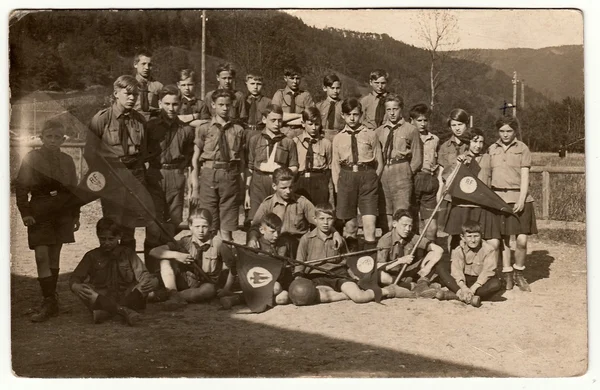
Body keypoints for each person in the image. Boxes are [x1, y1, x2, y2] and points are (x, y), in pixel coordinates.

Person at [84, 75, 160, 254]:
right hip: (112, 176)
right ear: (116, 94)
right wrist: (104, 177)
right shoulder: (102, 119)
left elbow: (143, 152)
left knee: (130, 225)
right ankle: (110, 271)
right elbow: (89, 152)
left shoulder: (140, 120)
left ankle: (128, 268)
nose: (132, 98)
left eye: (135, 95)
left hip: (134, 176)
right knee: (112, 224)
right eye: (128, 94)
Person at [15, 120, 80, 322]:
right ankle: (48, 299)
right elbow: (21, 187)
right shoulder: (31, 158)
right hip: (39, 210)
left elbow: (73, 190)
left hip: (61, 211)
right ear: (41, 137)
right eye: (49, 136)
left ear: (63, 139)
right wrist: (25, 212)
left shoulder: (67, 160)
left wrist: (75, 214)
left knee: (54, 256)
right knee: (41, 256)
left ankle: (52, 301)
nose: (53, 140)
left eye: (57, 137)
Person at [294, 204, 412, 304]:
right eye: (322, 219)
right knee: (320, 296)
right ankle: (345, 296)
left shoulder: (339, 239)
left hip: (338, 274)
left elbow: (347, 261)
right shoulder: (306, 239)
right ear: (315, 219)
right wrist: (298, 278)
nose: (325, 223)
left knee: (359, 297)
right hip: (316, 276)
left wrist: (353, 275)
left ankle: (389, 290)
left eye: (329, 219)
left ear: (334, 220)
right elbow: (299, 262)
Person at [70, 218, 159, 325]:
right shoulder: (91, 256)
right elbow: (75, 277)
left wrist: (149, 281)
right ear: (98, 236)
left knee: (151, 281)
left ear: (119, 237)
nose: (106, 243)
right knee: (85, 289)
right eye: (103, 239)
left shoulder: (128, 254)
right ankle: (124, 310)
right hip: (102, 297)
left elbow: (143, 275)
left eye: (111, 239)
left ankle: (107, 312)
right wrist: (75, 286)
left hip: (127, 295)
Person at [248, 167, 343, 258]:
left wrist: (335, 233)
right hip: (276, 245)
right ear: (274, 186)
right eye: (283, 188)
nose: (288, 191)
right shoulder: (267, 204)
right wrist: (253, 238)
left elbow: (321, 220)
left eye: (291, 187)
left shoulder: (302, 202)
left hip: (298, 246)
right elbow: (255, 226)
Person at [489, 115, 537, 291]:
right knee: (503, 240)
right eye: (502, 131)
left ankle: (519, 273)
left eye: (509, 131)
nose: (505, 134)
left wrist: (522, 198)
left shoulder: (522, 148)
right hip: (498, 200)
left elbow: (525, 176)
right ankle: (507, 273)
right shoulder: (492, 149)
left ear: (515, 131)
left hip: (519, 199)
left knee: (521, 240)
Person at [190, 89, 246, 242]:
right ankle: (208, 262)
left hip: (230, 176)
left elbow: (241, 161)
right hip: (209, 174)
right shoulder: (204, 128)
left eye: (228, 105)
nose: (225, 108)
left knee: (227, 229)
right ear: (213, 105)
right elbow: (195, 159)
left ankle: (228, 263)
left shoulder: (238, 130)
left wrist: (242, 187)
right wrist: (195, 187)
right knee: (208, 224)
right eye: (221, 104)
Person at [145, 85, 195, 243]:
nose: (171, 108)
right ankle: (153, 265)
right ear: (159, 103)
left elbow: (190, 157)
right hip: (155, 174)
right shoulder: (151, 126)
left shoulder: (186, 130)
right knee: (153, 222)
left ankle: (166, 260)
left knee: (174, 222)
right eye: (167, 104)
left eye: (174, 104)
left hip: (176, 175)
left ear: (180, 104)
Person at [331, 98, 383, 250]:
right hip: (346, 178)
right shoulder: (338, 138)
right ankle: (351, 262)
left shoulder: (371, 134)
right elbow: (335, 164)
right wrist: (337, 186)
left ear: (361, 114)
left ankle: (369, 264)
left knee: (370, 225)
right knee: (350, 226)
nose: (352, 118)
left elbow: (379, 162)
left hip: (367, 177)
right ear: (343, 116)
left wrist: (373, 180)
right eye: (348, 115)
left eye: (355, 114)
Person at [438, 128, 501, 251]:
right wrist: (458, 165)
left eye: (481, 142)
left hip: (482, 205)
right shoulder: (459, 159)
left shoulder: (488, 158)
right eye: (474, 142)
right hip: (462, 205)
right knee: (458, 240)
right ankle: (457, 267)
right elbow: (448, 182)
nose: (478, 145)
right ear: (468, 142)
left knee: (491, 241)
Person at [149, 208, 227, 305]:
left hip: (205, 284)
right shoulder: (185, 242)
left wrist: (226, 289)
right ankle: (172, 294)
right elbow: (154, 251)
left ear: (211, 226)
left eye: (204, 226)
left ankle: (172, 297)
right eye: (197, 226)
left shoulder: (217, 243)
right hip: (185, 280)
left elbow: (231, 266)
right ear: (190, 226)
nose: (201, 230)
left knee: (208, 290)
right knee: (165, 260)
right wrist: (177, 255)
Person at [219, 213, 292, 309]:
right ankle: (236, 299)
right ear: (262, 230)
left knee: (284, 297)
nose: (276, 235)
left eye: (278, 231)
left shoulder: (283, 244)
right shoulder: (256, 245)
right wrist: (226, 288)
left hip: (276, 281)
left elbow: (290, 265)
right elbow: (238, 265)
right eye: (272, 232)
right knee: (276, 287)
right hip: (258, 281)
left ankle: (240, 299)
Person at [375, 94, 422, 232]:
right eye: (388, 109)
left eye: (395, 109)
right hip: (384, 171)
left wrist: (407, 173)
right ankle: (388, 246)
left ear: (401, 109)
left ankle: (401, 248)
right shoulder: (379, 131)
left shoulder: (411, 130)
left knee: (401, 213)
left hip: (401, 170)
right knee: (386, 213)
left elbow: (417, 158)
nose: (392, 113)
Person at [245, 104, 299, 223]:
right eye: (273, 120)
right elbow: (250, 166)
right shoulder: (254, 139)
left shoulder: (288, 142)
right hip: (258, 183)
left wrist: (284, 175)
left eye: (280, 121)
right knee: (255, 219)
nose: (276, 124)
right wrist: (246, 193)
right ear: (264, 119)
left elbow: (294, 165)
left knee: (278, 219)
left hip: (278, 183)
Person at [377, 209, 444, 298]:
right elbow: (379, 266)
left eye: (410, 226)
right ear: (394, 224)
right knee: (380, 275)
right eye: (404, 225)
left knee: (433, 256)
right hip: (392, 276)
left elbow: (439, 250)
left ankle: (421, 284)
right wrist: (399, 261)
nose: (407, 229)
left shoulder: (412, 236)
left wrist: (427, 268)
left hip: (408, 273)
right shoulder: (385, 240)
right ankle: (413, 287)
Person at [435, 220, 502, 306]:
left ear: (481, 236)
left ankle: (454, 295)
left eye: (476, 236)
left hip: (479, 282)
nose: (473, 240)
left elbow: (488, 272)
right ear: (463, 237)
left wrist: (473, 288)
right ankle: (461, 294)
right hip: (463, 280)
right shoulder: (458, 250)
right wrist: (463, 288)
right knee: (441, 266)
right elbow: (457, 271)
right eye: (469, 236)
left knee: (496, 284)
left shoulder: (489, 249)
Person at [409, 103, 442, 242]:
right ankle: (413, 255)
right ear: (412, 121)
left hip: (429, 180)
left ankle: (430, 254)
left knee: (431, 226)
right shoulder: (409, 137)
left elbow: (439, 162)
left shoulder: (434, 139)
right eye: (419, 120)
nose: (422, 124)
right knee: (412, 223)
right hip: (413, 179)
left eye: (425, 120)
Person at [293, 107, 334, 207]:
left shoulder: (326, 143)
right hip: (300, 180)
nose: (314, 128)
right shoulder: (295, 142)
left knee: (319, 210)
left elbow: (329, 167)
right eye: (310, 124)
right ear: (303, 123)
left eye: (317, 124)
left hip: (319, 181)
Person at [271, 65, 314, 138]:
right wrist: (300, 115)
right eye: (292, 78)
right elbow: (275, 116)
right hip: (282, 133)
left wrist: (285, 118)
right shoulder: (279, 95)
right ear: (285, 78)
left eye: (297, 78)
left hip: (301, 134)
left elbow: (310, 118)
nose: (295, 81)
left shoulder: (306, 96)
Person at [438, 108, 470, 183]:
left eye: (460, 124)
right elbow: (441, 172)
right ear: (450, 127)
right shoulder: (445, 147)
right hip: (449, 186)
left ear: (466, 125)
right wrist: (439, 193)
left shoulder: (472, 145)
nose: (457, 128)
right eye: (454, 125)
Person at [132, 48, 163, 121]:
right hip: (134, 121)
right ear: (135, 64)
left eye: (149, 65)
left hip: (152, 122)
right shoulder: (129, 85)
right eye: (143, 64)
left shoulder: (158, 86)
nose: (147, 68)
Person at [244, 70, 272, 141]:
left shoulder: (268, 102)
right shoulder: (243, 101)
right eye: (252, 83)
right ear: (246, 83)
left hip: (261, 133)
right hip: (245, 132)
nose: (255, 87)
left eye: (259, 84)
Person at [315, 73, 344, 139]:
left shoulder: (343, 105)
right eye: (332, 88)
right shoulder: (319, 106)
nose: (335, 91)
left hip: (339, 137)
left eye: (338, 88)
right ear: (325, 88)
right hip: (322, 136)